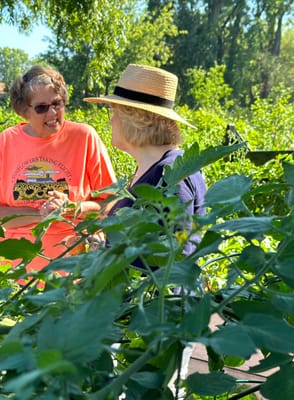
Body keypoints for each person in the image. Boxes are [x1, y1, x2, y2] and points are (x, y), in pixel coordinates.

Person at [84, 63, 207, 396]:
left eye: (114, 111)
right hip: (141, 316)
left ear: (135, 119)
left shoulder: (171, 177)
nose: (109, 119)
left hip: (157, 321)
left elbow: (170, 259)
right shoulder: (155, 168)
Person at [0, 64, 116, 277]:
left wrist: (76, 208)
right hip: (16, 269)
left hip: (73, 266)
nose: (52, 113)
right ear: (24, 110)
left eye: (57, 103)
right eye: (41, 107)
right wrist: (40, 213)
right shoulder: (7, 141)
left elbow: (112, 201)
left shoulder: (84, 137)